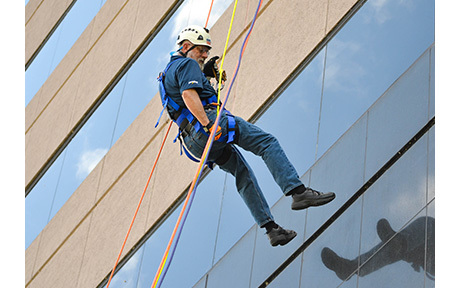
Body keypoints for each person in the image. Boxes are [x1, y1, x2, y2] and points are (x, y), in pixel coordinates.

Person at [158, 25, 336, 246]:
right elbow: (187, 93)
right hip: (210, 125)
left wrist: (206, 77)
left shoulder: (170, 72)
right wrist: (208, 124)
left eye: (206, 51)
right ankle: (298, 192)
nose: (205, 55)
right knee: (266, 143)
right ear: (186, 47)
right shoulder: (185, 64)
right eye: (201, 50)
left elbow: (181, 95)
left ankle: (272, 230)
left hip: (194, 142)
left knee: (242, 174)